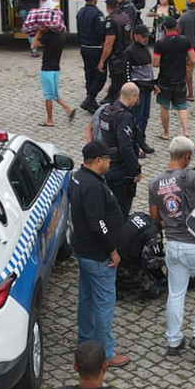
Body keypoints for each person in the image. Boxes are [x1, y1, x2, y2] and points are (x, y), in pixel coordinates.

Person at [147, 137, 195, 358]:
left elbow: (155, 218)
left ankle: (174, 341)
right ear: (187, 156)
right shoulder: (190, 177)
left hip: (173, 245)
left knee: (176, 293)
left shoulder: (155, 183)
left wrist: (172, 218)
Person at [70, 144, 131, 368]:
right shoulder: (93, 186)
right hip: (98, 255)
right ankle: (105, 353)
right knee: (104, 304)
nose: (110, 162)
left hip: (83, 249)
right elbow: (98, 223)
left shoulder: (78, 177)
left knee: (86, 299)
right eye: (107, 159)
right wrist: (112, 250)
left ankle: (84, 341)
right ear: (97, 160)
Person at [98, 83, 144, 218]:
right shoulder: (123, 117)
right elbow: (125, 147)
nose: (137, 102)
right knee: (121, 210)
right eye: (137, 98)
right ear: (133, 97)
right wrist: (135, 170)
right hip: (121, 170)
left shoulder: (106, 111)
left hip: (108, 165)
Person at [152, 16, 194, 140]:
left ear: (164, 27)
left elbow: (155, 63)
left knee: (164, 106)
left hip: (165, 79)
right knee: (182, 106)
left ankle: (166, 132)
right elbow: (193, 58)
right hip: (180, 78)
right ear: (176, 26)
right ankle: (186, 130)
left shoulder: (160, 43)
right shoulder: (185, 41)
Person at [98, 0, 133, 104]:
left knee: (116, 79)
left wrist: (102, 61)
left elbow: (109, 43)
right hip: (127, 52)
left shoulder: (111, 21)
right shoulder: (126, 17)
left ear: (108, 6)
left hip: (116, 55)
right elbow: (130, 35)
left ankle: (116, 101)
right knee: (124, 78)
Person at [125, 25, 155, 151]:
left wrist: (154, 84)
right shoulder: (130, 51)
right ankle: (134, 143)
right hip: (138, 90)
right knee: (136, 118)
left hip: (147, 88)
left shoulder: (144, 48)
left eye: (147, 36)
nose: (145, 39)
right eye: (143, 36)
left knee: (145, 117)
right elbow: (126, 74)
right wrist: (133, 94)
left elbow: (148, 71)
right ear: (135, 36)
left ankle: (141, 140)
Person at [78, 0, 106, 112]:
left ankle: (91, 101)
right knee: (101, 75)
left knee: (89, 74)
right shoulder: (97, 14)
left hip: (84, 47)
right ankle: (90, 98)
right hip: (95, 48)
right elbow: (101, 32)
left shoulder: (80, 11)